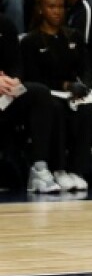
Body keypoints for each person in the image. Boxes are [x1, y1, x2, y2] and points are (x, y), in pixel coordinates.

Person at [18, 0, 92, 192]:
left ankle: (77, 170)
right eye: (51, 6)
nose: (57, 11)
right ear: (41, 9)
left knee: (87, 110)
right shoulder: (30, 41)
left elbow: (85, 68)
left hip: (73, 93)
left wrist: (85, 87)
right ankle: (58, 169)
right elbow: (33, 77)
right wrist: (64, 86)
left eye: (60, 6)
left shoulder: (74, 36)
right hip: (47, 94)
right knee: (55, 107)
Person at [0, 13, 72, 193]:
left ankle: (39, 168)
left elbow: (16, 63)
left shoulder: (5, 23)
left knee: (40, 93)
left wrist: (14, 80)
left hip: (5, 94)